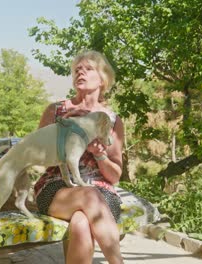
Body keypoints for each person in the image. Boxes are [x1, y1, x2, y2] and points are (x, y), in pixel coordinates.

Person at [34, 50, 124, 264]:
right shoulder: (56, 111)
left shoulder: (111, 121)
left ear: (102, 79)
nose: (80, 73)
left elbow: (115, 176)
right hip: (57, 189)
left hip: (102, 194)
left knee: (81, 223)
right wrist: (61, 130)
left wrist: (99, 154)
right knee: (89, 196)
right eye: (77, 70)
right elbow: (39, 158)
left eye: (88, 68)